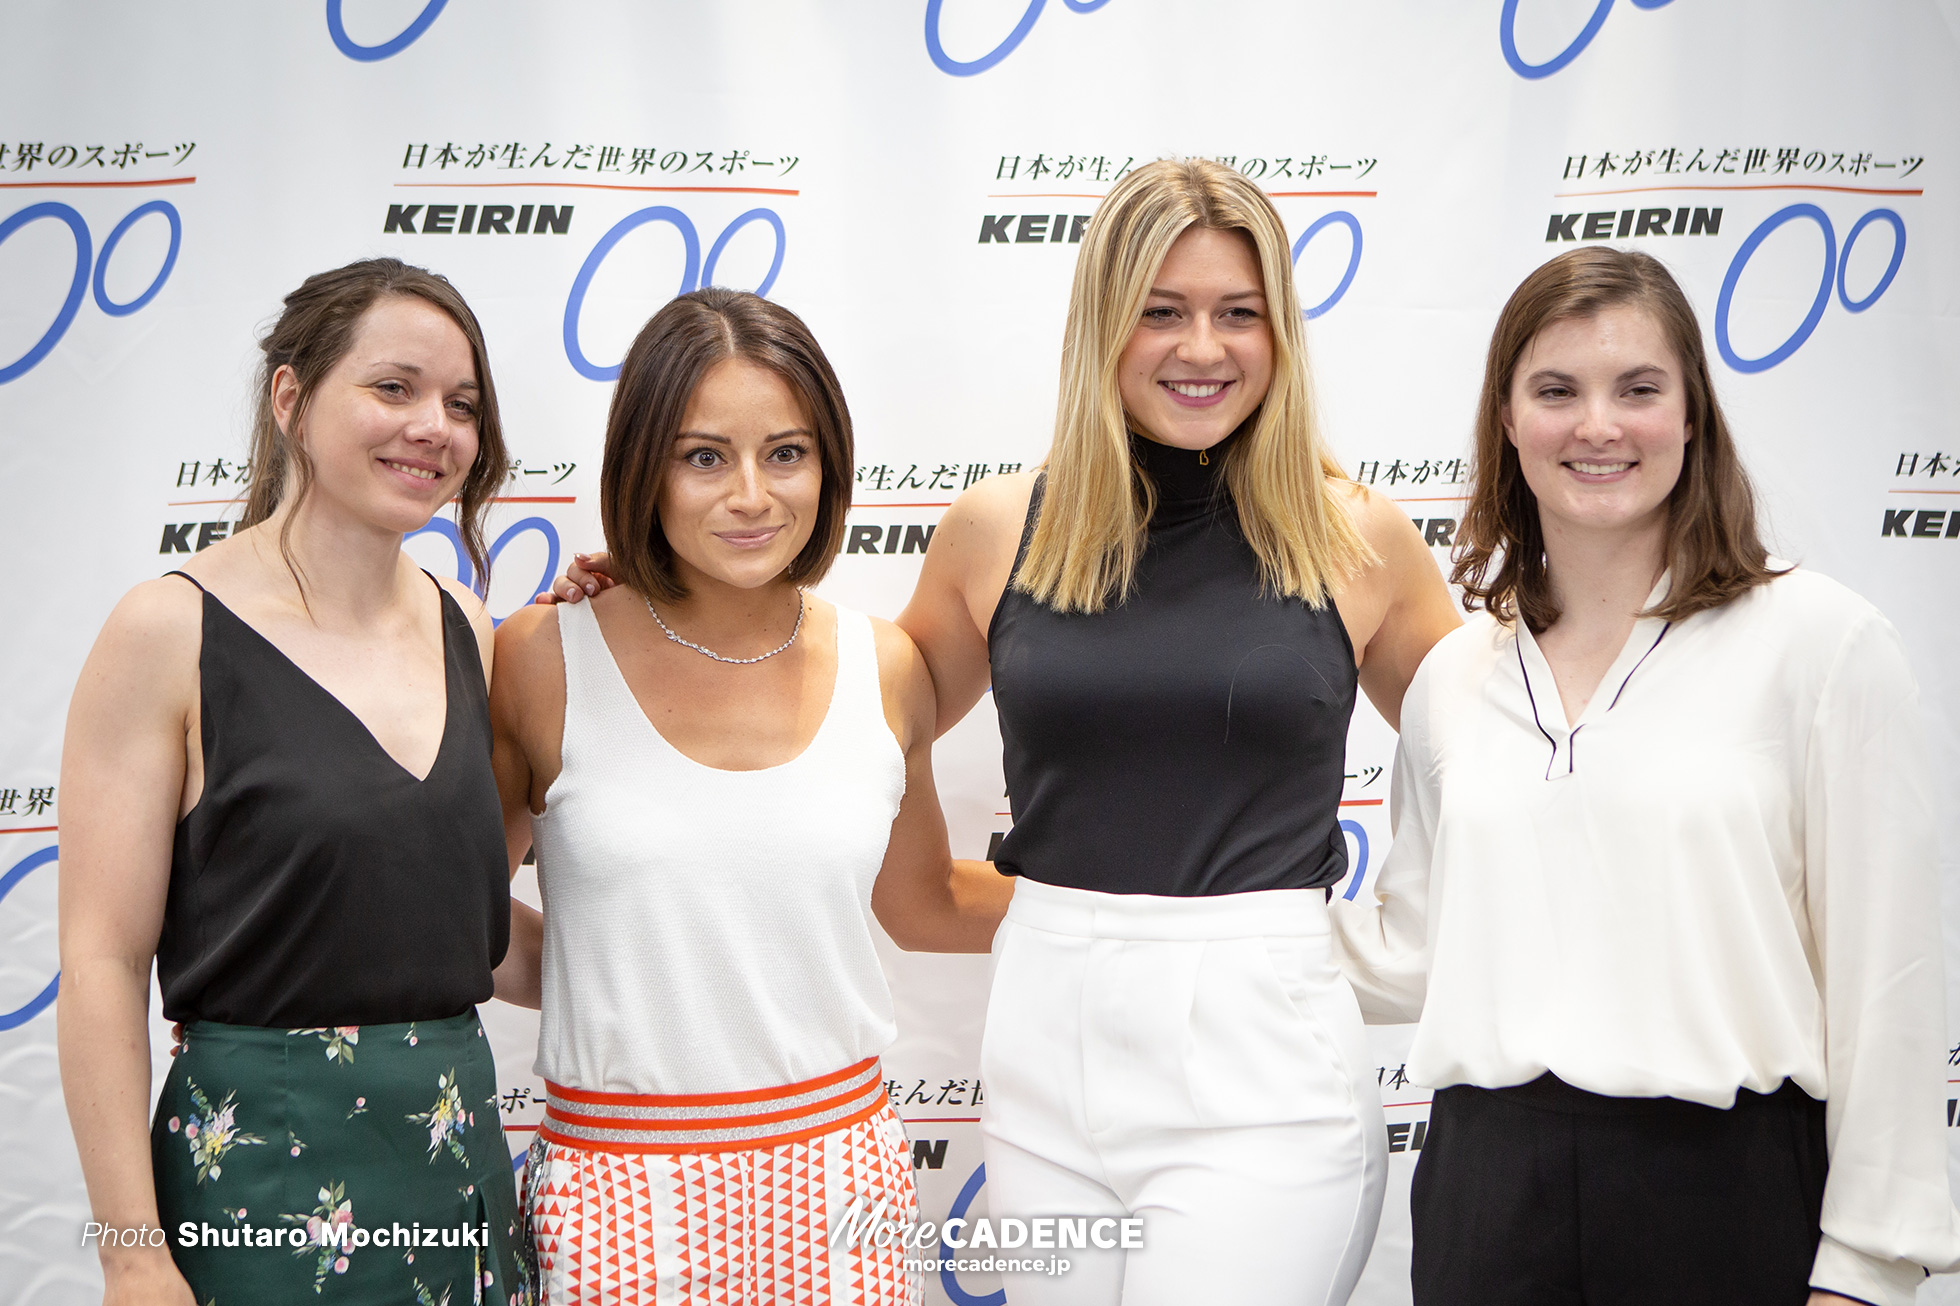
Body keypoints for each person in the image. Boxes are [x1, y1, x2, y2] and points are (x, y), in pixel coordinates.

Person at [557, 156, 1460, 1304]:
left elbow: (1490, 743)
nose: (1201, 347)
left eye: (1239, 314)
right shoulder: (996, 528)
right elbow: (841, 714)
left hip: (1264, 1062)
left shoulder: (1353, 535)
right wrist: (644, 603)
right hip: (1043, 1053)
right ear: (1100, 326)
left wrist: (1410, 940)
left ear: (1281, 332)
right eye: (1160, 311)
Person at [1329, 246, 1960, 1306]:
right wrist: (1185, 915)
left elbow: (1884, 980)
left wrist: (1866, 1267)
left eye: (1637, 389)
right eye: (1556, 390)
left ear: (1691, 416)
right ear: (1507, 421)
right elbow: (1416, 946)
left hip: (1725, 1195)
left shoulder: (1822, 644)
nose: (1597, 426)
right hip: (1484, 1194)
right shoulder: (1453, 674)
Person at [491, 288, 1007, 1305]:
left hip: (838, 1185)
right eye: (702, 456)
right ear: (643, 466)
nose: (750, 496)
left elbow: (924, 906)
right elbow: (461, 918)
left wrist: (1153, 898)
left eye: (785, 452)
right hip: (616, 1187)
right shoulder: (542, 656)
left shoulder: (886, 664)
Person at [59, 259, 526, 1305]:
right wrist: (131, 1254)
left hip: (459, 1169)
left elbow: (449, 907)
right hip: (257, 1175)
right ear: (290, 399)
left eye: (462, 404)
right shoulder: (169, 629)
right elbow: (98, 963)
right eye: (393, 388)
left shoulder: (471, 628)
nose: (434, 428)